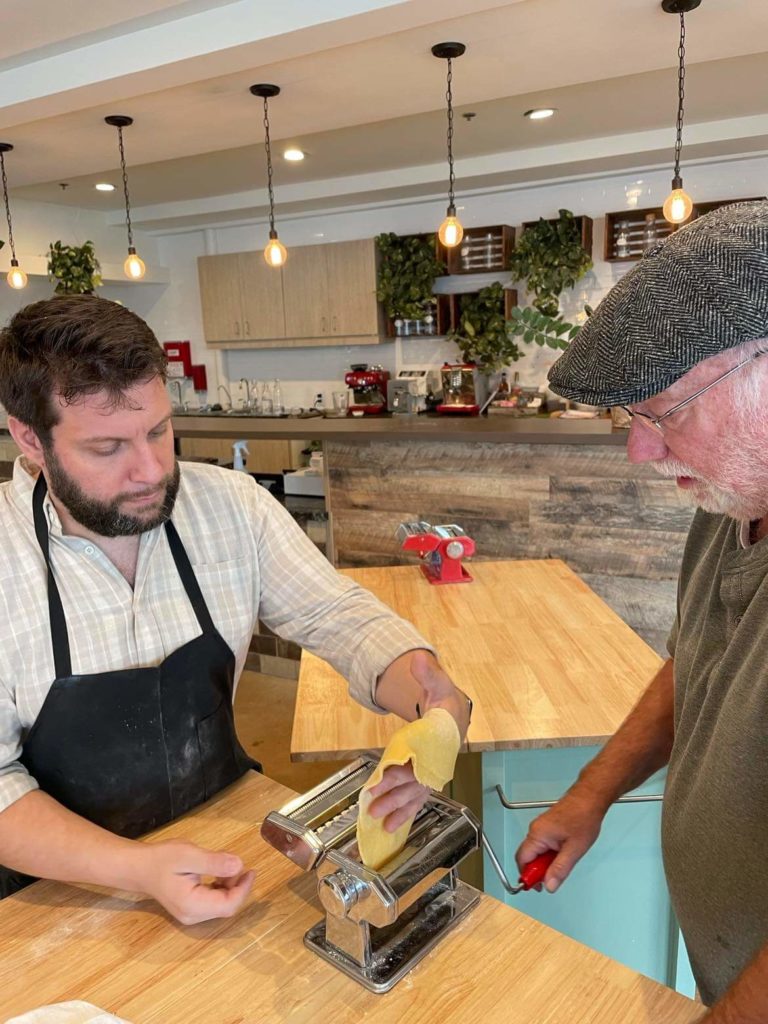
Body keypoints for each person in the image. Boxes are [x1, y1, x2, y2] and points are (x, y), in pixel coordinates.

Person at [0, 295, 472, 926]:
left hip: (223, 845)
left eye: (160, 431)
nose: (151, 470)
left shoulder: (230, 507)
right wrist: (137, 871)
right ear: (30, 438)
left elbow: (340, 616)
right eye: (108, 447)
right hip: (53, 895)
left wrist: (428, 697)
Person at [520, 199, 768, 1020]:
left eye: (667, 411)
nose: (641, 449)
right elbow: (700, 664)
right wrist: (592, 791)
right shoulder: (731, 506)